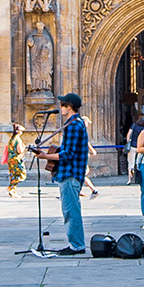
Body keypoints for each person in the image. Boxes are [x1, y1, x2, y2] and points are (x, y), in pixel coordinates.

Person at [51, 93, 88, 255]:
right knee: (71, 209)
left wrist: (45, 156)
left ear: (69, 106)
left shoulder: (73, 126)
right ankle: (76, 243)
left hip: (70, 173)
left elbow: (68, 154)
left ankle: (77, 245)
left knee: (70, 210)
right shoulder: (75, 124)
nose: (60, 108)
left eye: (63, 104)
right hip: (72, 173)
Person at [5, 124, 27, 199]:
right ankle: (11, 187)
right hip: (16, 159)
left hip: (10, 158)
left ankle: (13, 191)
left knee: (13, 174)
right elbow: (19, 150)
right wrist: (24, 147)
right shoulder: (18, 139)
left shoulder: (12, 138)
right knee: (21, 174)